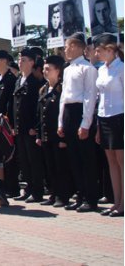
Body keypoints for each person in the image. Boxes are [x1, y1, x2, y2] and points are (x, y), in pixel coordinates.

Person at [58, 33, 99, 212]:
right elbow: (63, 98)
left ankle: (90, 198)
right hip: (68, 113)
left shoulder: (87, 68)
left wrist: (85, 123)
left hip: (80, 113)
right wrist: (60, 121)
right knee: (73, 158)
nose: (65, 50)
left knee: (86, 159)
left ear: (76, 46)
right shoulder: (67, 69)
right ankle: (80, 195)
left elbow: (90, 96)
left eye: (67, 46)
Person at [93, 33, 123, 216]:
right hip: (104, 117)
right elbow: (100, 99)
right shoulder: (101, 69)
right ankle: (116, 201)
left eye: (99, 50)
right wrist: (98, 125)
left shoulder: (122, 68)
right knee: (111, 162)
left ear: (110, 49)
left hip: (120, 117)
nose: (96, 54)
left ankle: (123, 203)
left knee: (122, 162)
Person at [36, 55, 71, 208]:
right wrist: (38, 134)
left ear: (58, 70)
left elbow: (64, 113)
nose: (44, 71)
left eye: (48, 69)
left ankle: (62, 196)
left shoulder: (62, 88)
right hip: (45, 134)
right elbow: (39, 113)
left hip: (58, 134)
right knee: (49, 166)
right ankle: (53, 193)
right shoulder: (43, 88)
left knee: (60, 167)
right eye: (44, 68)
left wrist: (64, 137)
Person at [12, 48, 45, 202]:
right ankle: (28, 188)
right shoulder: (19, 80)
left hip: (30, 128)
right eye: (19, 59)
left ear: (32, 62)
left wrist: (36, 127)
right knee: (24, 161)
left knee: (34, 161)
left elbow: (38, 108)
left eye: (24, 60)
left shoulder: (35, 82)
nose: (20, 62)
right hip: (19, 127)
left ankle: (37, 191)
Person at [0, 50, 19, 197]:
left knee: (9, 156)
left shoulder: (11, 79)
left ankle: (12, 188)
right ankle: (2, 186)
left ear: (3, 61)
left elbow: (11, 103)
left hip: (5, 122)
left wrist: (11, 124)